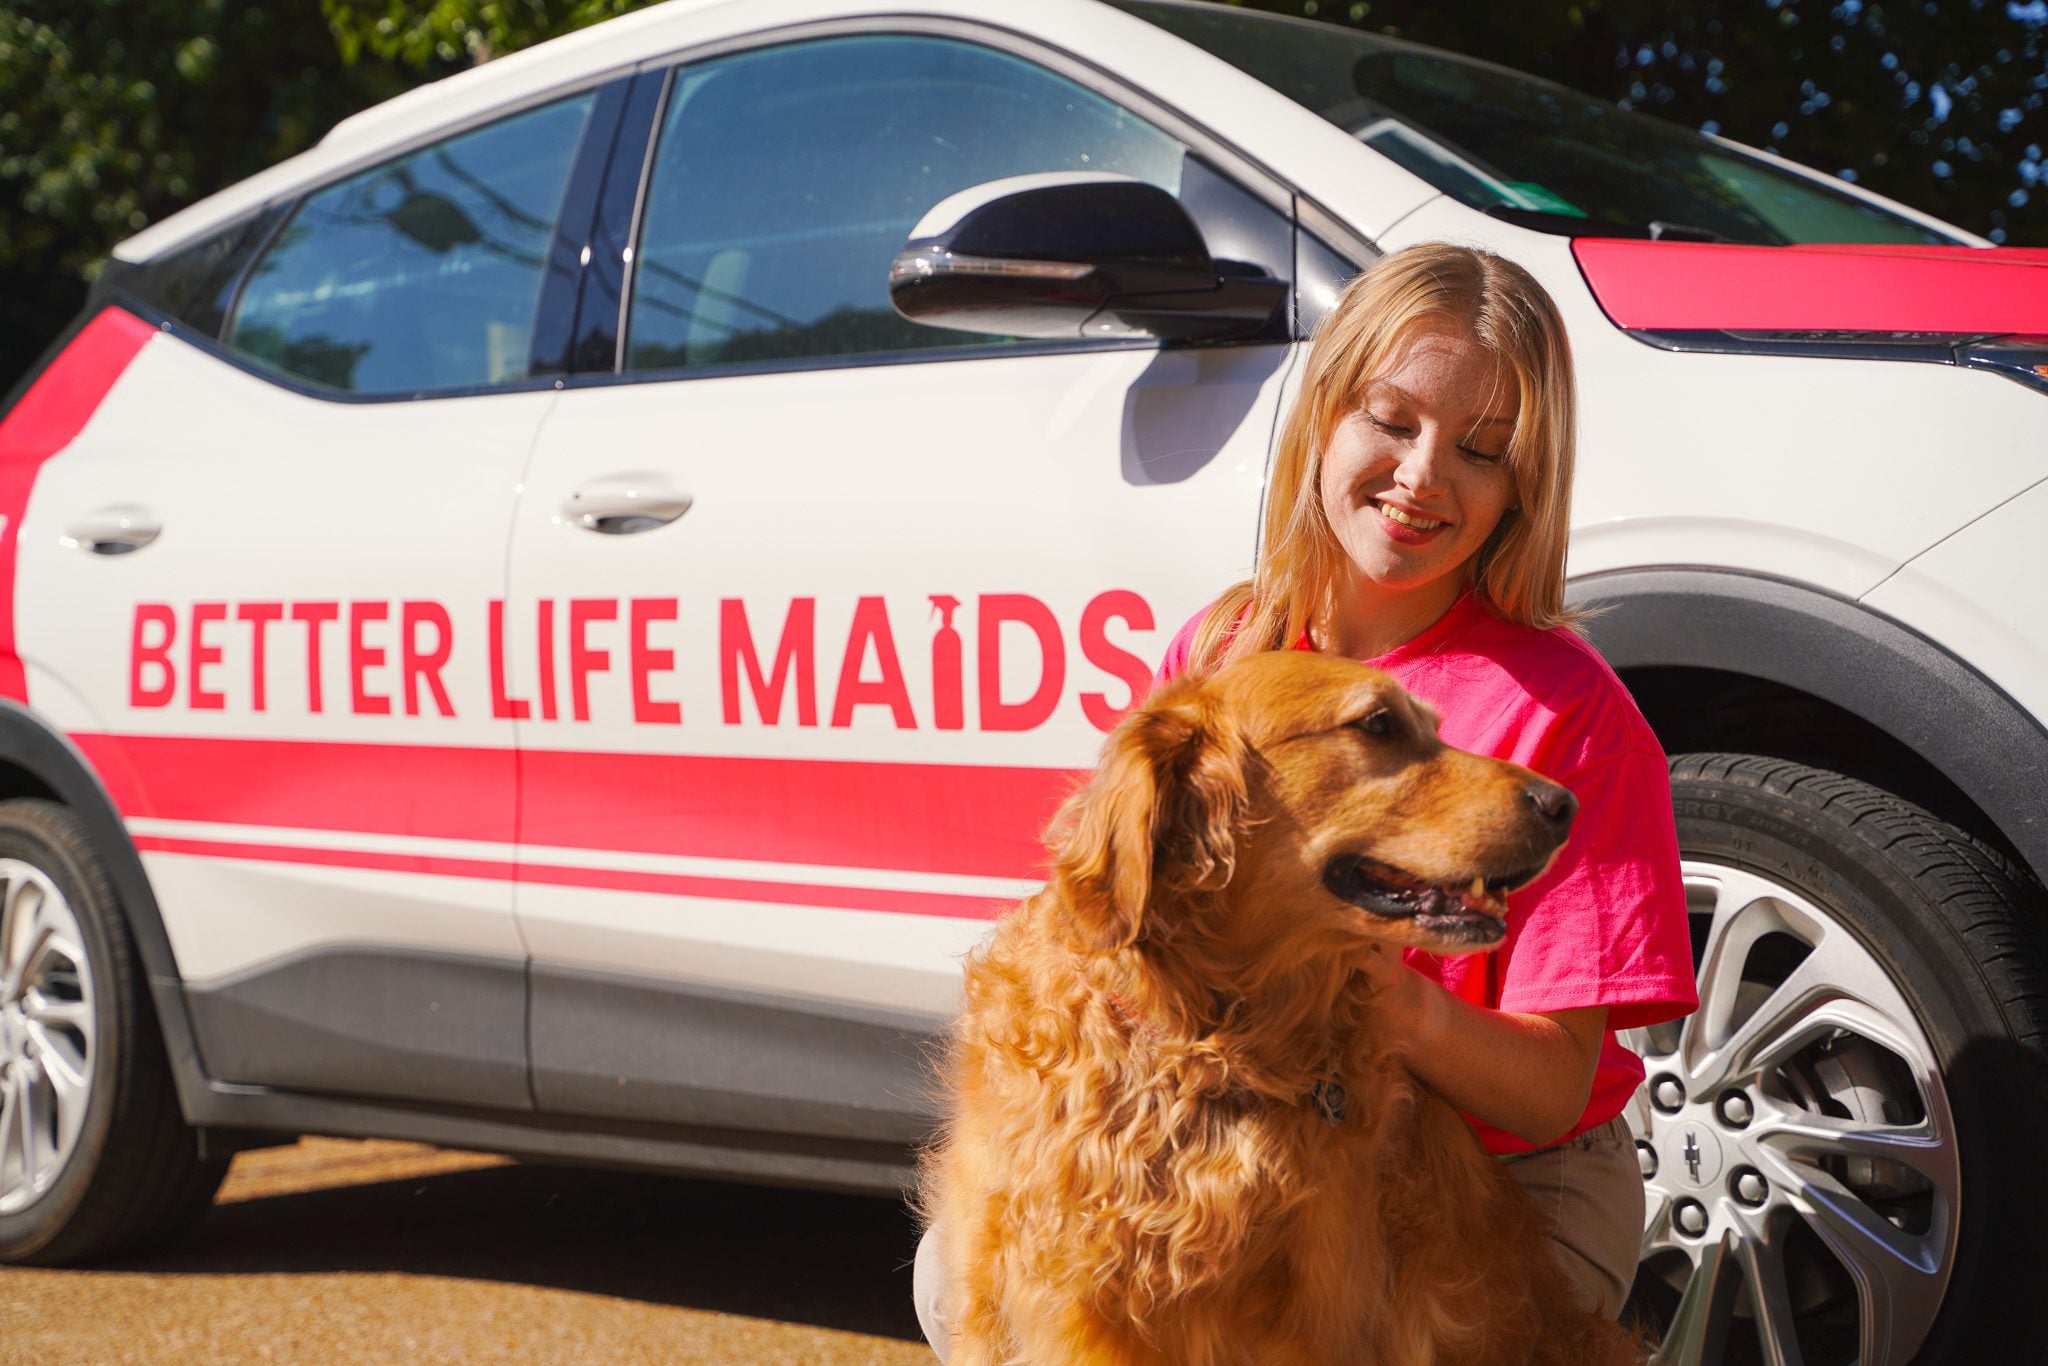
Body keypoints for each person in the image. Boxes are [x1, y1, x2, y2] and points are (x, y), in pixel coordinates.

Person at [913, 241, 1697, 1356]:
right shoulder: (1228, 647)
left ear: (1524, 485)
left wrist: (1403, 1004)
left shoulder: (1571, 713)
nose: (1423, 476)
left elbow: (1551, 1091)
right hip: (1265, 1096)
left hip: (1513, 1169)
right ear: (1324, 414)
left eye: (1480, 450)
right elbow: (1137, 912)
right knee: (970, 1272)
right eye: (1390, 420)